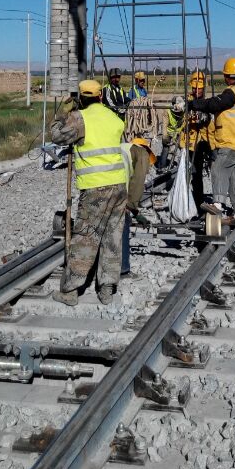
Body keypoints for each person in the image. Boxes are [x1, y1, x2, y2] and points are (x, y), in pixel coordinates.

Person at [50, 79, 127, 305]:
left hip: (96, 186)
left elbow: (56, 135)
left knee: (86, 236)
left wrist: (62, 112)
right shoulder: (114, 118)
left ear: (81, 98)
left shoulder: (79, 118)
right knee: (112, 236)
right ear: (101, 96)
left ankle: (71, 290)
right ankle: (106, 288)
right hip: (119, 184)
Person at [189, 57, 235, 225]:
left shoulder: (231, 93)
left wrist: (194, 104)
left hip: (230, 141)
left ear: (227, 76)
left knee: (218, 168)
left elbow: (214, 104)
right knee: (234, 177)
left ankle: (217, 204)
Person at [121, 135, 153, 277]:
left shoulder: (123, 148)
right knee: (122, 224)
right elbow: (138, 181)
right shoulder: (142, 153)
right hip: (117, 195)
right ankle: (123, 269)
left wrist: (136, 213)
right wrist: (131, 207)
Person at [186, 72, 215, 212]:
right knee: (196, 175)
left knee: (215, 171)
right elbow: (179, 117)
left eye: (199, 89)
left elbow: (211, 127)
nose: (196, 91)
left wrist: (207, 118)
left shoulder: (207, 103)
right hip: (192, 143)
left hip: (206, 142)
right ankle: (197, 203)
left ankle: (217, 202)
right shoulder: (186, 102)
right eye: (194, 88)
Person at [158, 94, 184, 170]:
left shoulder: (184, 110)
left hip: (179, 132)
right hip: (169, 132)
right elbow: (164, 125)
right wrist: (164, 136)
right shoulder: (167, 110)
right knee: (165, 148)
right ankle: (161, 167)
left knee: (183, 148)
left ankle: (184, 166)